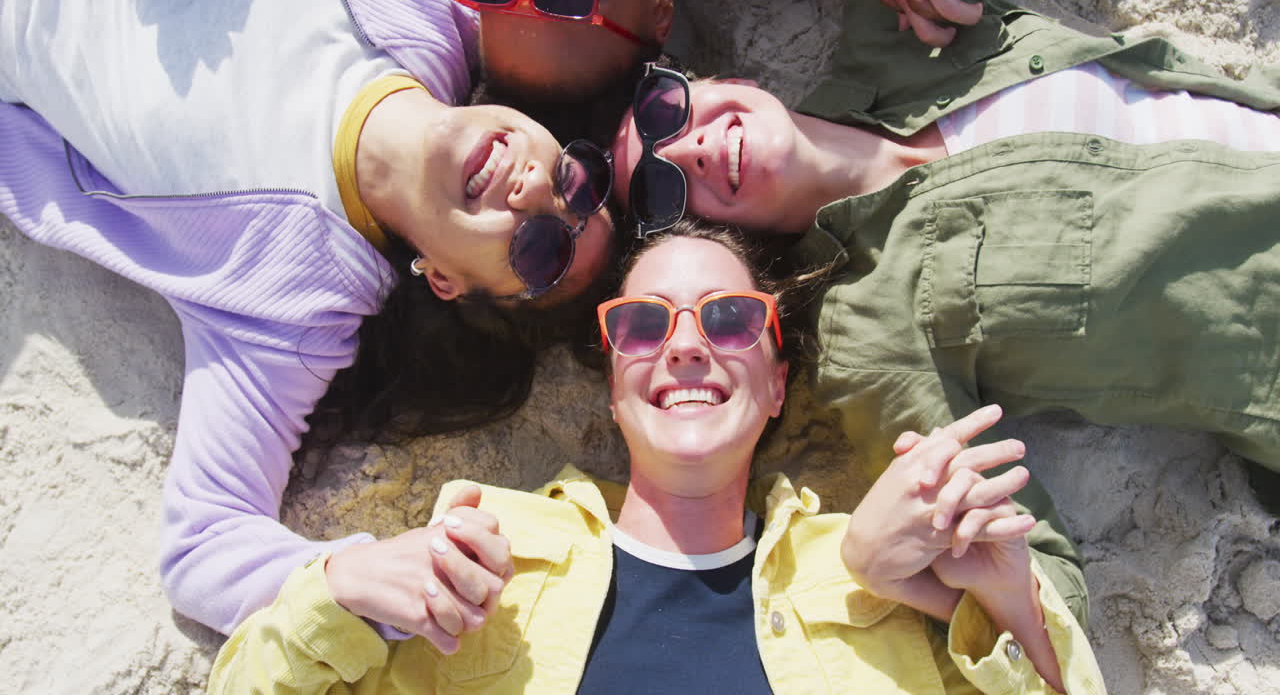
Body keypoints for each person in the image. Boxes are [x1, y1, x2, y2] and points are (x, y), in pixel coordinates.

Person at [0, 0, 670, 646]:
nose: (534, 192)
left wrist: (343, 574)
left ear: (446, 281)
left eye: (540, 248)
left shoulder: (288, 302)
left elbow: (203, 544)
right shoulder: (435, 13)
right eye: (574, 183)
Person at [204, 219, 1107, 694]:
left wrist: (1008, 601)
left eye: (727, 318)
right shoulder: (483, 553)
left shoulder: (876, 578)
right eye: (643, 324)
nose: (684, 347)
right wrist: (340, 589)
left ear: (778, 382)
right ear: (611, 388)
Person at [608, 0, 1280, 619]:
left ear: (725, 83)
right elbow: (1034, 577)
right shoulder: (869, 334)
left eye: (666, 114)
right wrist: (894, 569)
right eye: (662, 189)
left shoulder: (899, 31)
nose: (689, 149)